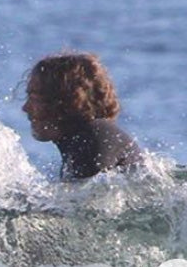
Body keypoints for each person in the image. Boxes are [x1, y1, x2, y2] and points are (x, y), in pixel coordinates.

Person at [21, 52, 142, 180]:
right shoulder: (82, 141)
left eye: (34, 98)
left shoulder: (94, 138)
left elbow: (87, 198)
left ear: (65, 101)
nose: (26, 108)